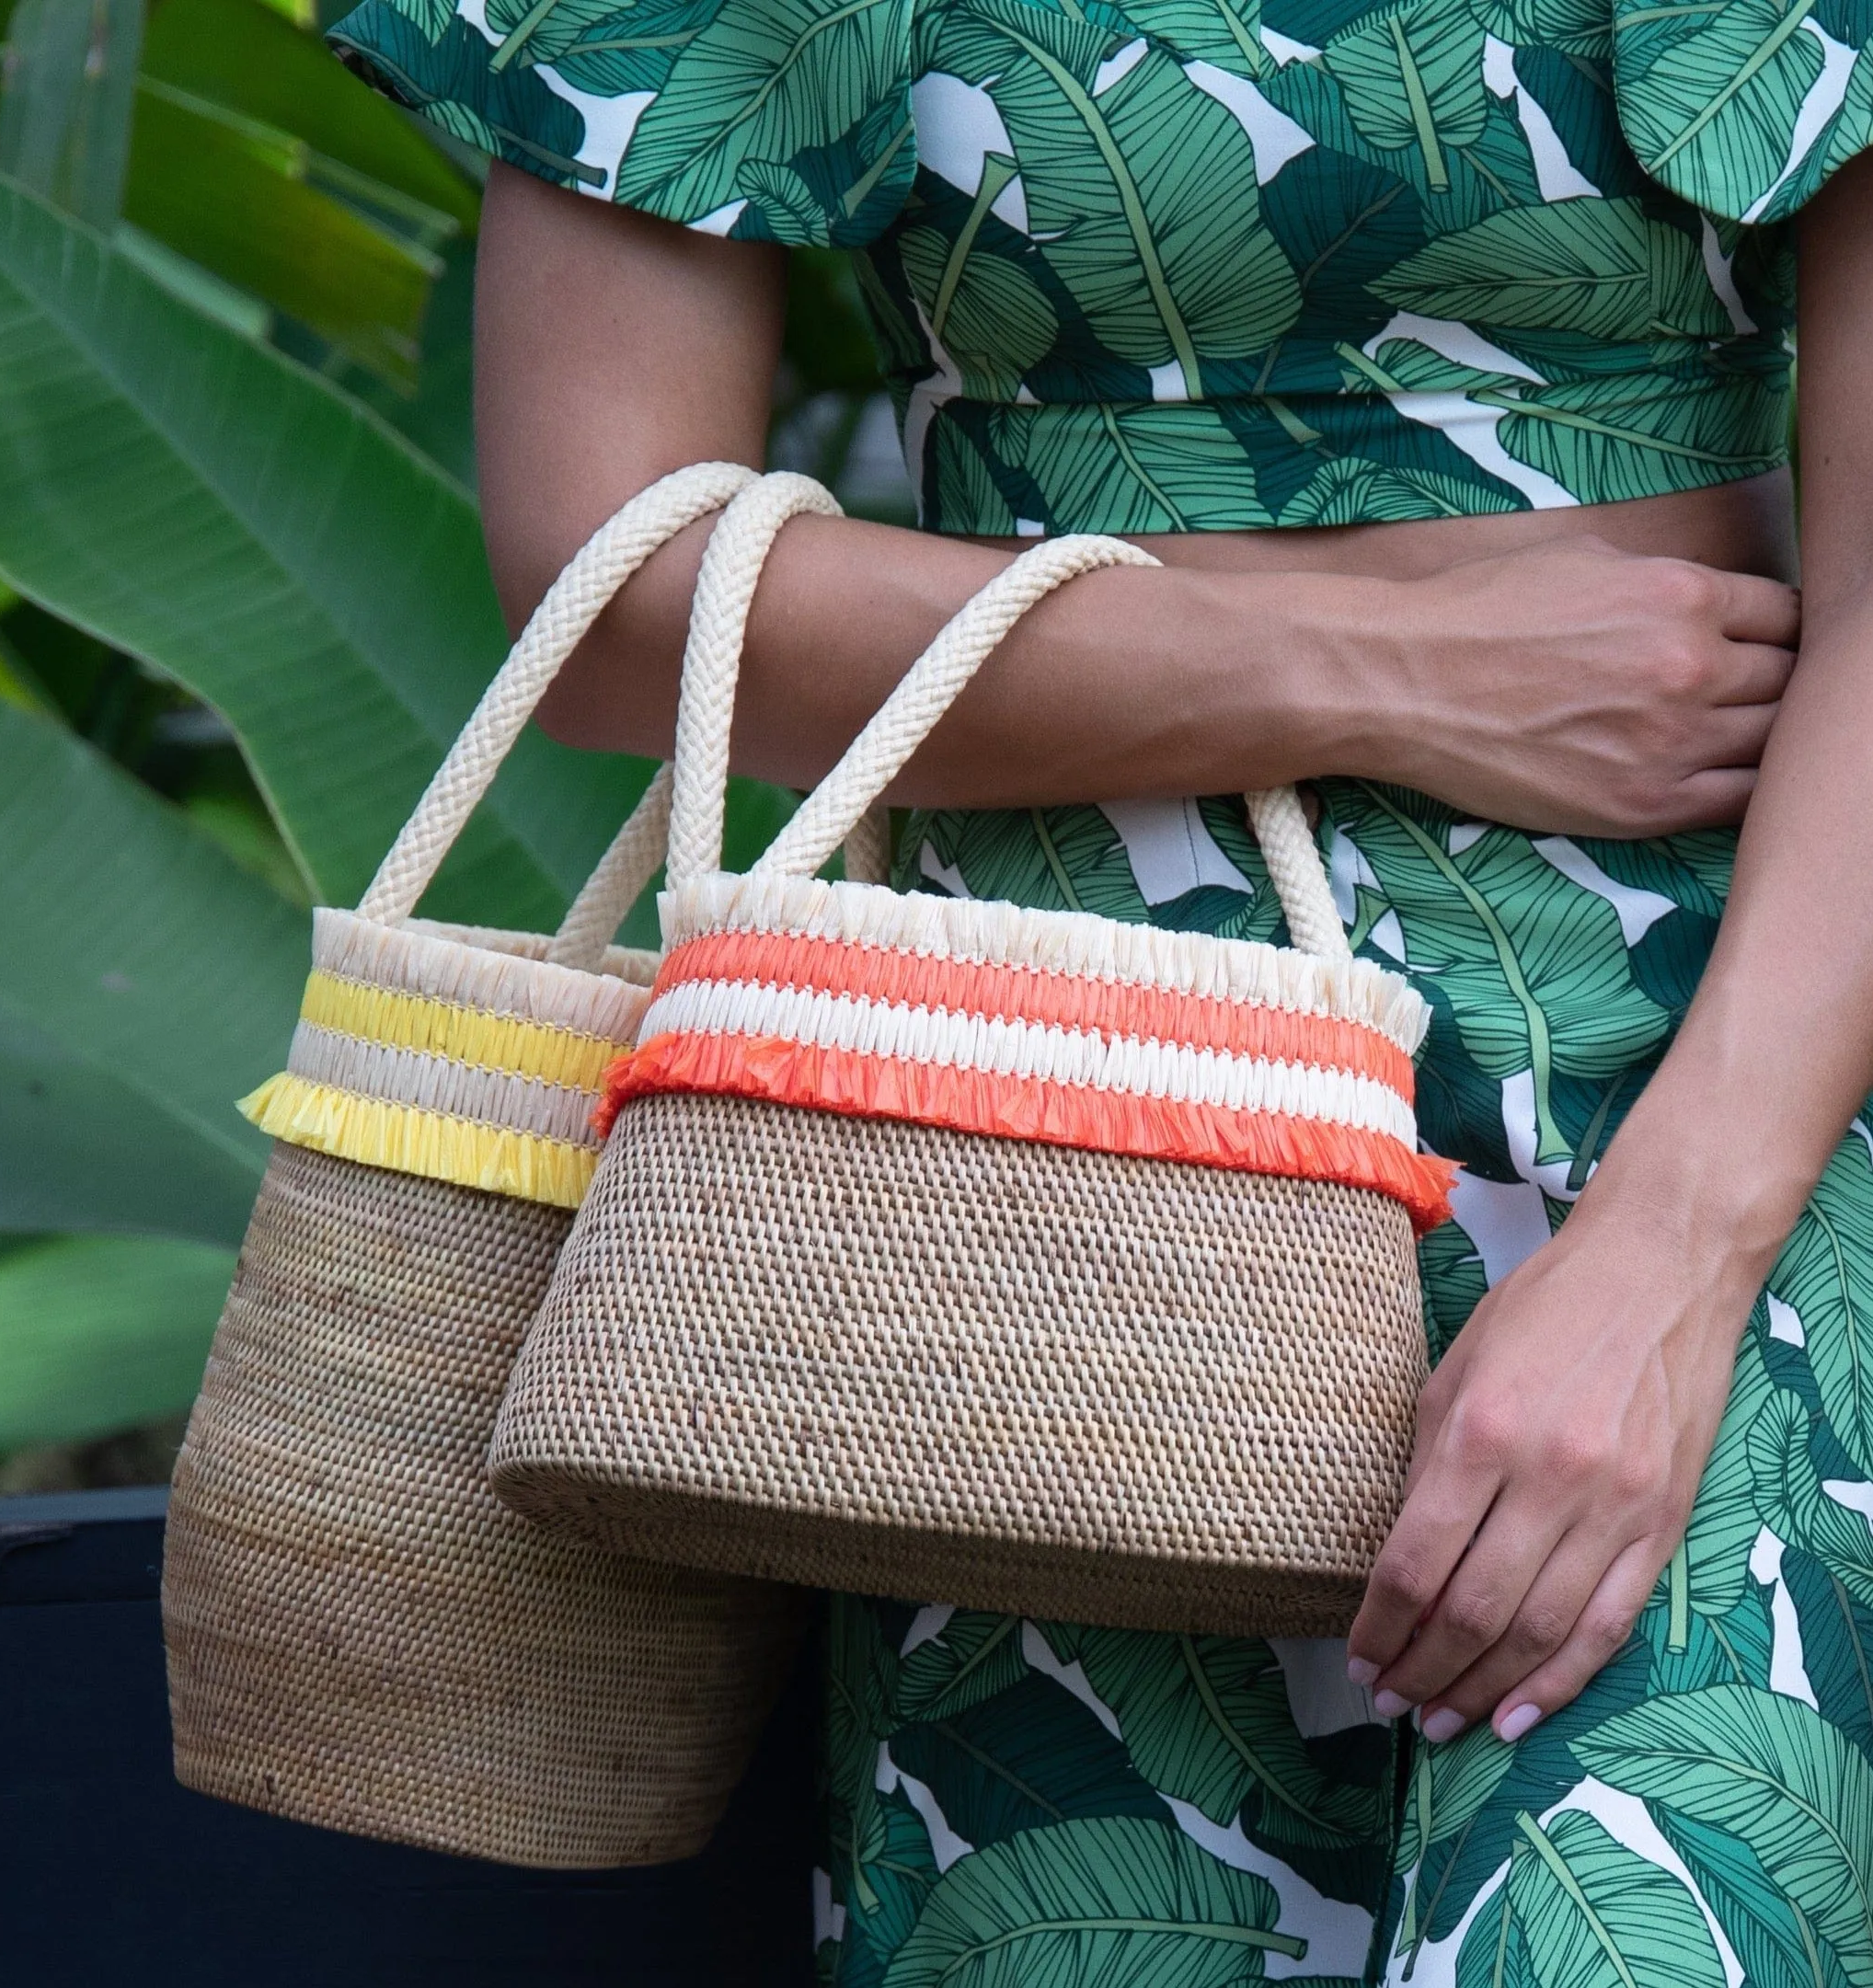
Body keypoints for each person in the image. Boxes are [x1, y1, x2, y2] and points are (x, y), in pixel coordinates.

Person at [330, 0, 1873, 1976]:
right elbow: (618, 599)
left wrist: (1674, 1254)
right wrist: (1393, 664)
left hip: (1712, 1087)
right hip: (1038, 1151)